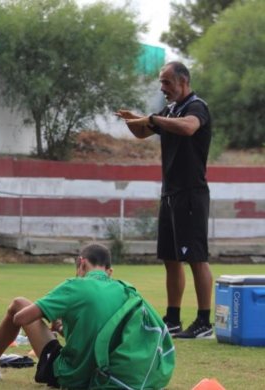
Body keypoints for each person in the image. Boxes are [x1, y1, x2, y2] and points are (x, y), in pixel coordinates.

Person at [0, 244, 174, 388]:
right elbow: (102, 334)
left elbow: (20, 318)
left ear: (81, 263)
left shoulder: (75, 286)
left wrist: (49, 318)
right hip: (109, 373)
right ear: (110, 271)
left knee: (18, 303)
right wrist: (64, 329)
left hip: (74, 375)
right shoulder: (126, 290)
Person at [116, 61, 213, 339]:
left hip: (191, 194)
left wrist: (153, 119)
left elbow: (189, 128)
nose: (163, 88)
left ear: (183, 82)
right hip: (169, 193)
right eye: (161, 82)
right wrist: (131, 118)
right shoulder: (170, 110)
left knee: (196, 258)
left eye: (167, 82)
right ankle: (172, 319)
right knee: (171, 258)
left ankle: (204, 322)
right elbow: (144, 131)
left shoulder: (196, 107)